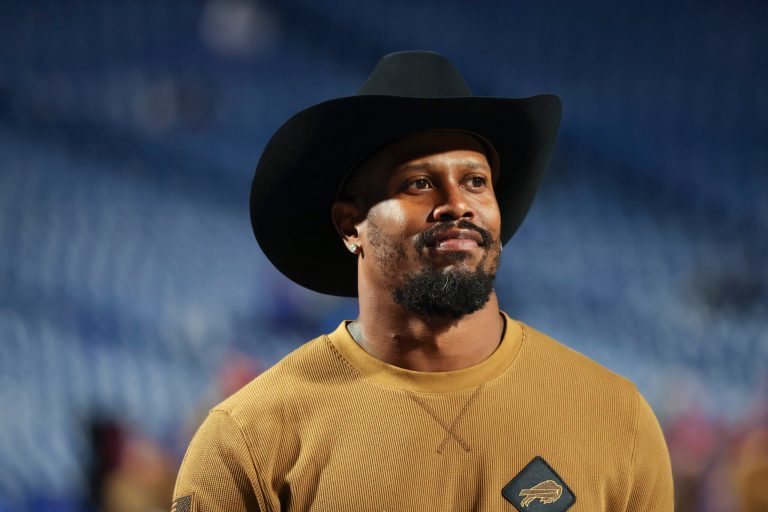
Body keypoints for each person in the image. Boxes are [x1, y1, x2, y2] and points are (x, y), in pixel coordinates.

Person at [171, 51, 673, 512]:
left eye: (476, 181)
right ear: (351, 226)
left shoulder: (614, 416)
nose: (458, 203)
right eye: (418, 182)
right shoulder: (249, 441)